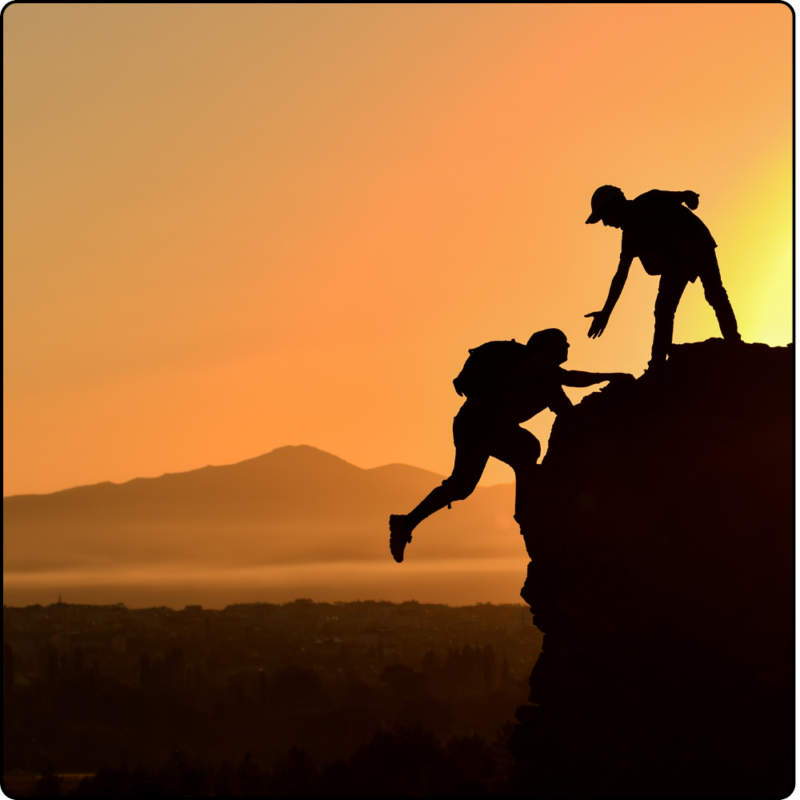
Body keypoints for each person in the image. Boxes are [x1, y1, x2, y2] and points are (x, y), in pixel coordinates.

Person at [388, 328, 631, 563]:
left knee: (463, 486)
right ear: (546, 345)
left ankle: (406, 523)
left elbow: (568, 415)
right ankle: (523, 513)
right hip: (480, 421)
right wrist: (610, 377)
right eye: (562, 341)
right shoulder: (538, 360)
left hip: (472, 422)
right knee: (526, 449)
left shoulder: (548, 382)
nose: (567, 346)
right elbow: (569, 378)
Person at [584, 186, 741, 368]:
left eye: (604, 217)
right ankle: (658, 363)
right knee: (663, 309)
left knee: (714, 293)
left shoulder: (649, 201)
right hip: (675, 262)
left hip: (698, 245)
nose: (605, 223)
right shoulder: (630, 236)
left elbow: (684, 196)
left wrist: (691, 199)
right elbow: (621, 275)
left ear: (614, 206)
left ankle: (733, 342)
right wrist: (606, 313)